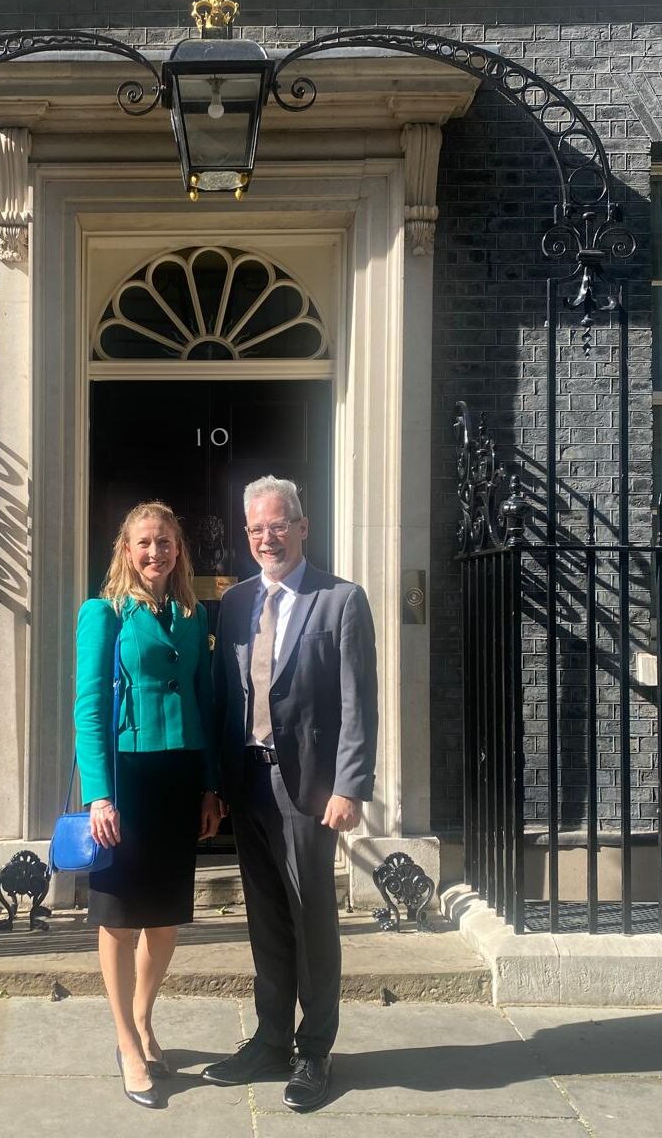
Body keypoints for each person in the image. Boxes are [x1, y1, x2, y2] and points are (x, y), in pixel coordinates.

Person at [203, 475, 378, 1112]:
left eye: (278, 524)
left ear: (303, 526)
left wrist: (351, 785)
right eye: (256, 529)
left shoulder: (341, 601)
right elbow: (228, 698)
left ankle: (315, 1049)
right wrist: (216, 783)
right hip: (248, 779)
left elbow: (361, 703)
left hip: (309, 787)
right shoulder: (235, 601)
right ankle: (272, 1038)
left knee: (312, 918)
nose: (267, 537)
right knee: (265, 915)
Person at [75, 501, 222, 1110]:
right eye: (144, 542)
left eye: (165, 541)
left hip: (179, 772)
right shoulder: (102, 614)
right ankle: (125, 1041)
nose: (155, 551)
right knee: (118, 915)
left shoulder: (193, 616)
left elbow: (205, 699)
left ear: (178, 550)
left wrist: (211, 784)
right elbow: (87, 707)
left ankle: (142, 1019)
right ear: (126, 549)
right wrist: (98, 794)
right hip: (126, 776)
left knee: (163, 915)